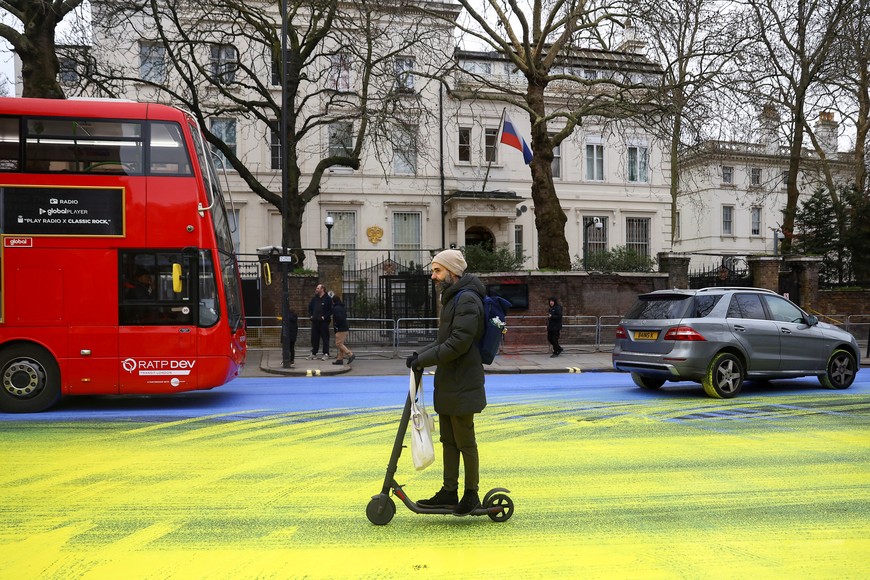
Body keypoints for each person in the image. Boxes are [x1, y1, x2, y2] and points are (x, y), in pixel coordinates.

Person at [406, 248, 486, 516]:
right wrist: (421, 356)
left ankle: (471, 494)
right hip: (451, 380)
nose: (433, 276)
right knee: (449, 441)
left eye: (437, 271)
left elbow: (458, 344)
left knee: (465, 441)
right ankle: (449, 491)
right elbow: (444, 342)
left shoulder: (467, 300)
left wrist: (424, 360)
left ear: (453, 272)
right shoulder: (453, 298)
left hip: (463, 381)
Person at [308, 283, 332, 360]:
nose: (316, 289)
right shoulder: (315, 298)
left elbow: (330, 310)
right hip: (315, 321)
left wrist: (324, 317)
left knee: (325, 337)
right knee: (314, 338)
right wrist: (311, 315)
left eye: (318, 288)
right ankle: (314, 352)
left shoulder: (328, 299)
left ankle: (326, 353)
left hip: (323, 322)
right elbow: (310, 307)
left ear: (322, 289)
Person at [331, 295, 355, 365]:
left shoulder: (336, 308)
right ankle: (340, 359)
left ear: (333, 301)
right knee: (341, 343)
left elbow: (338, 318)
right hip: (345, 327)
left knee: (339, 344)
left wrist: (336, 326)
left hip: (341, 328)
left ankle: (350, 354)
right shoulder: (342, 307)